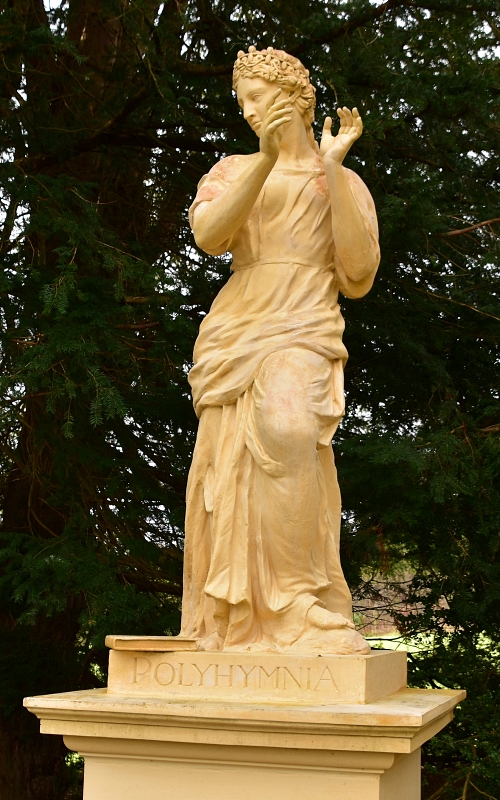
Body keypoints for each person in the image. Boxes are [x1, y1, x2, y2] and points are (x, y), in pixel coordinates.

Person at [180, 46, 379, 653]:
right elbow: (210, 237)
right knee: (231, 463)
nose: (246, 111)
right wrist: (262, 163)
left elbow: (359, 270)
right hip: (238, 325)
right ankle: (240, 614)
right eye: (241, 102)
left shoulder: (341, 179)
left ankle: (297, 600)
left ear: (291, 98)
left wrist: (335, 168)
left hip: (306, 321)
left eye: (256, 98)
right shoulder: (233, 168)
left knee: (289, 429)